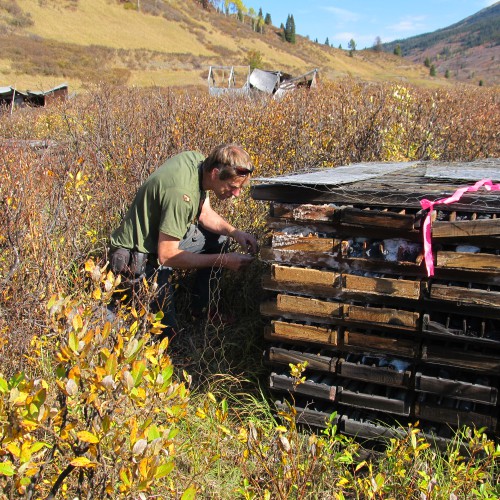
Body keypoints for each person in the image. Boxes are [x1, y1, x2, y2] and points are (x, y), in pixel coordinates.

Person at [108, 143, 258, 338]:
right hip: (139, 256)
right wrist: (224, 261)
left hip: (164, 241)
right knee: (166, 336)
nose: (236, 193)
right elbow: (167, 256)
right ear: (215, 173)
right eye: (232, 187)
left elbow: (204, 213)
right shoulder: (181, 194)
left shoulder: (197, 161)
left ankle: (201, 310)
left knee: (220, 239)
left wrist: (235, 232)